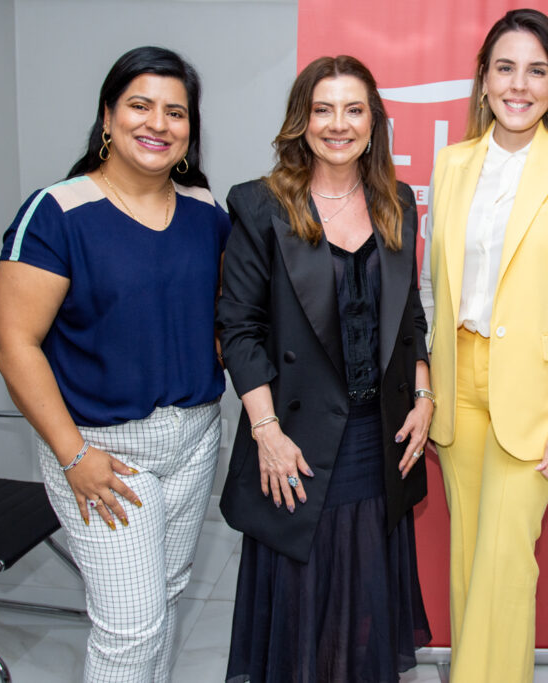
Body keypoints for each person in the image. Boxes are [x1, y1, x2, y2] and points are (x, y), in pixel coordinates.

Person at [0, 46, 229, 681]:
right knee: (130, 628)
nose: (158, 124)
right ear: (107, 117)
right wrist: (74, 456)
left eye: (176, 112)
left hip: (195, 438)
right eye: (140, 106)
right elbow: (13, 342)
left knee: (167, 595)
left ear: (190, 128)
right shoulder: (57, 212)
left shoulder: (206, 212)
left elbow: (220, 314)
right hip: (102, 451)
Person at [217, 55, 433, 683]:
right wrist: (266, 432)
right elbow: (239, 328)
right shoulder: (261, 204)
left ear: (374, 121)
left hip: (378, 435)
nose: (339, 124)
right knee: (303, 604)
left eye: (354, 109)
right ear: (302, 120)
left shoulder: (396, 201)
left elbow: (409, 314)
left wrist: (424, 397)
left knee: (364, 600)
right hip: (296, 438)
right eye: (323, 109)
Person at [421, 9, 548, 681]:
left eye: (537, 71)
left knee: (505, 563)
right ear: (483, 80)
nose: (519, 85)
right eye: (505, 68)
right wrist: (428, 389)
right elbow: (433, 288)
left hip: (537, 393)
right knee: (470, 560)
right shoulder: (452, 165)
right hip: (458, 383)